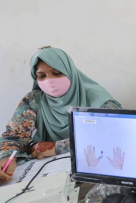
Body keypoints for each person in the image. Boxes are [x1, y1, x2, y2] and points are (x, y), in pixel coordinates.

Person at [0, 47, 121, 185]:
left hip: (94, 171)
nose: (50, 80)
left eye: (57, 73)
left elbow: (114, 136)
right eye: (41, 76)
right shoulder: (34, 100)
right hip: (48, 173)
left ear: (70, 72)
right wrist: (6, 157)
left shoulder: (98, 101)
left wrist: (46, 147)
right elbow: (13, 136)